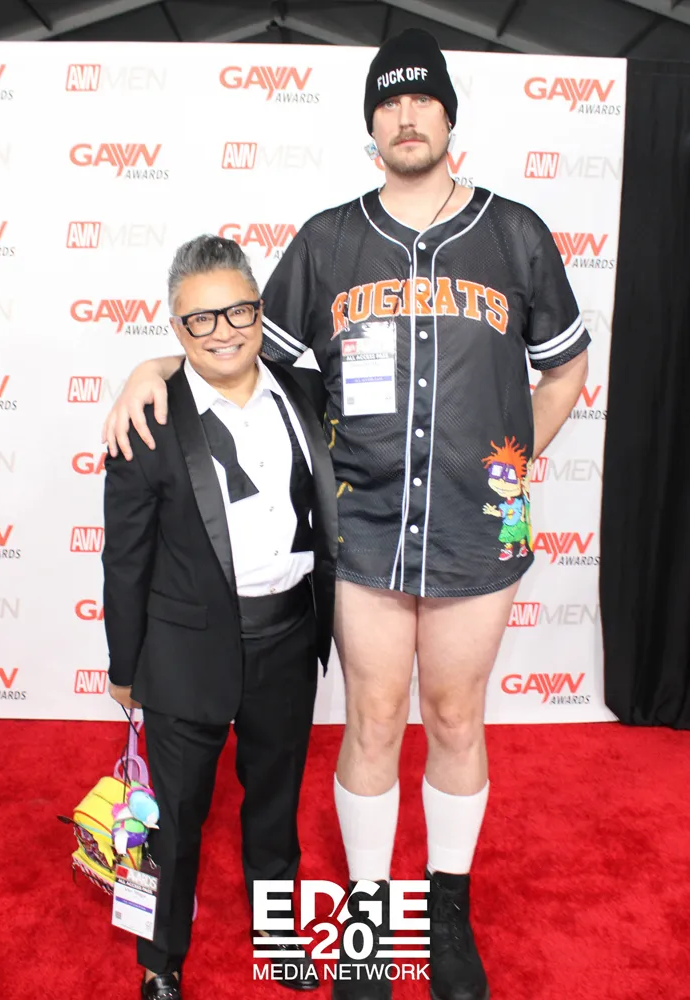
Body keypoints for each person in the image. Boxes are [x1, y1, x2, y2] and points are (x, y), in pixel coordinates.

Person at [103, 29, 589, 1000]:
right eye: (388, 102)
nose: (406, 116)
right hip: (361, 531)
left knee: (454, 718)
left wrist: (509, 463)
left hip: (476, 530)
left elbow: (564, 365)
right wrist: (154, 362)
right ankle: (370, 921)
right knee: (369, 718)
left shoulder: (514, 232)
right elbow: (244, 353)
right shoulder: (328, 241)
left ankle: (444, 915)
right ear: (371, 126)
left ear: (448, 117)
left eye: (422, 100)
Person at [103, 235, 337, 1000]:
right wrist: (124, 666)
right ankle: (159, 960)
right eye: (199, 320)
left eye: (238, 310)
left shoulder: (306, 394)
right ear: (176, 328)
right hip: (183, 653)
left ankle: (277, 933)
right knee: (173, 819)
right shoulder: (148, 418)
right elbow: (125, 557)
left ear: (260, 311)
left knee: (274, 804)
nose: (223, 331)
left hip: (288, 639)